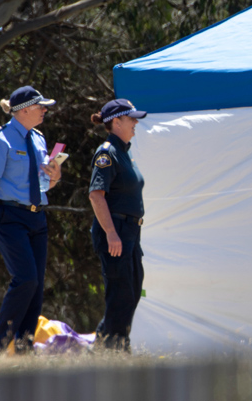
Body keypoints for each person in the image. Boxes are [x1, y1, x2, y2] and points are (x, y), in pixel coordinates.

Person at [0, 85, 61, 351]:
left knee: (36, 286)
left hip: (37, 218)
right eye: (41, 106)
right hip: (9, 216)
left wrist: (55, 175)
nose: (45, 111)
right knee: (25, 278)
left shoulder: (38, 138)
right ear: (24, 110)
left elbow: (44, 185)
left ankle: (24, 348)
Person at [87, 99, 148, 353]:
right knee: (120, 296)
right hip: (117, 232)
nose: (135, 123)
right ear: (116, 122)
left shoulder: (124, 150)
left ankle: (105, 347)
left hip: (130, 234)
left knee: (131, 292)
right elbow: (96, 195)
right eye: (131, 118)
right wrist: (111, 233)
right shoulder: (107, 153)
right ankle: (114, 352)